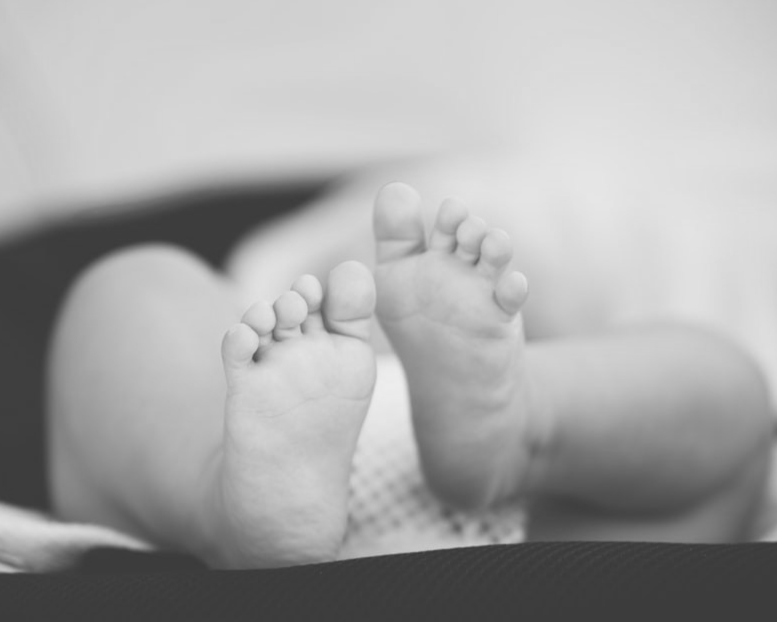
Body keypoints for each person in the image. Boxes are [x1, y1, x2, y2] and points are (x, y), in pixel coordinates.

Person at [45, 181, 774, 569]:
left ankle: (517, 424)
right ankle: (230, 503)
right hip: (273, 440)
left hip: (539, 507)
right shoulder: (259, 342)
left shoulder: (277, 344)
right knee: (727, 402)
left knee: (131, 290)